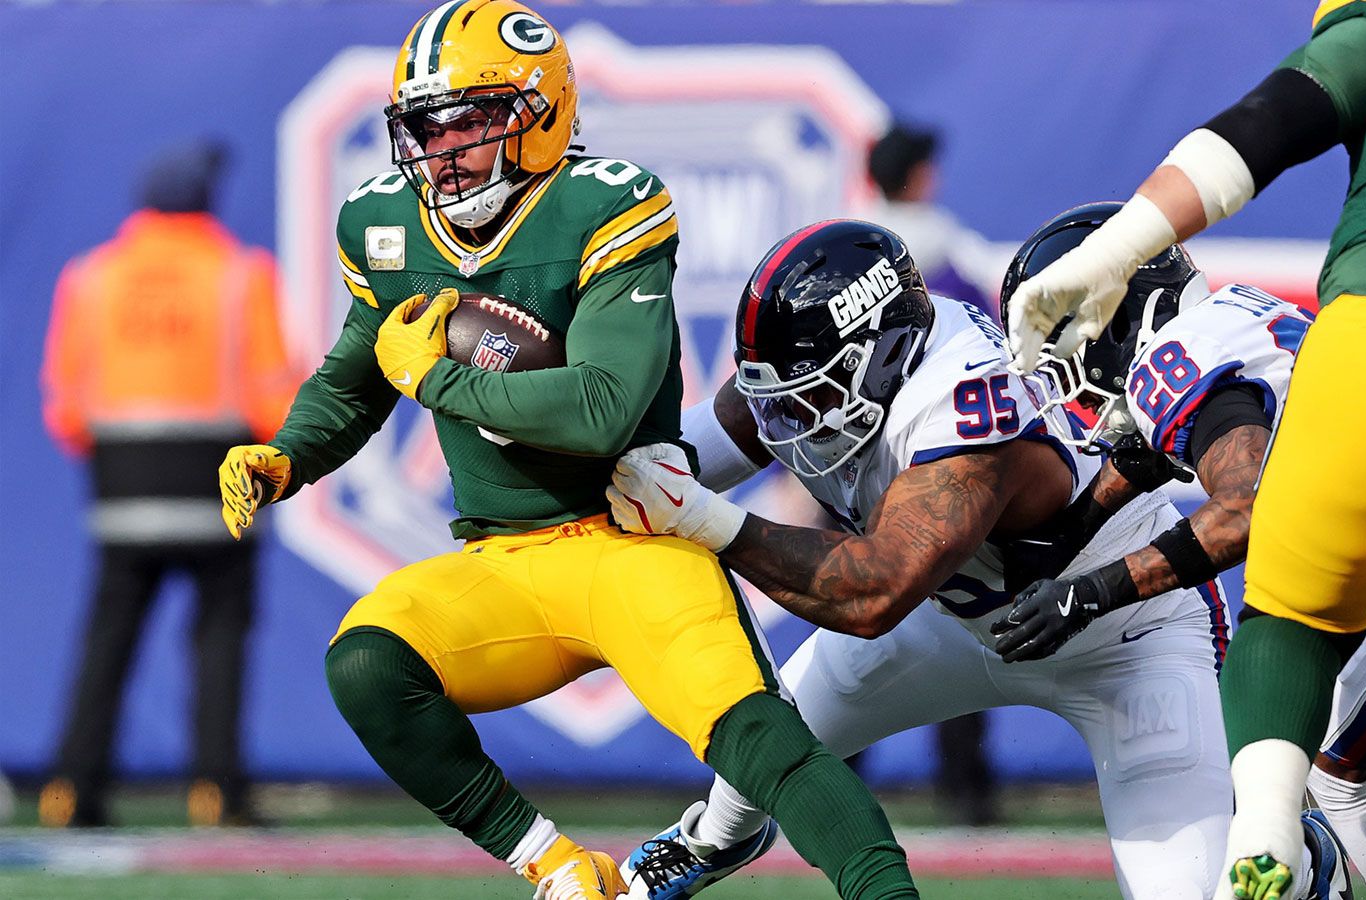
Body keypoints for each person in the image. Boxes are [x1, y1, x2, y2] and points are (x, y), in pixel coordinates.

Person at [216, 4, 920, 899]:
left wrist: (435, 379)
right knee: (366, 663)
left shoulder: (607, 204)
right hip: (502, 558)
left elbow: (600, 408)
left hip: (631, 536)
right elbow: (359, 371)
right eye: (425, 125)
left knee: (763, 744)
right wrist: (289, 455)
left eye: (468, 121)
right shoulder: (385, 221)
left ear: (538, 112)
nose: (443, 149)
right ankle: (556, 866)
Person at [1005, 1, 1366, 894]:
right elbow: (1139, 465)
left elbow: (1268, 123)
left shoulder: (1176, 366)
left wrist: (1117, 246)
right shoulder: (1225, 330)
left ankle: (1266, 821)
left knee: (1297, 644)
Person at [604, 218, 1342, 900]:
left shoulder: (963, 412)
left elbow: (874, 594)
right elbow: (689, 453)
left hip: (1122, 635)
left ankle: (1308, 860)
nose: (787, 424)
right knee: (761, 742)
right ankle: (710, 840)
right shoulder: (830, 369)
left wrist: (701, 519)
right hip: (953, 614)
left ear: (881, 357)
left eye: (808, 399)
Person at [38, 138, 294, 828]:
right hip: (219, 485)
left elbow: (63, 404)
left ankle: (70, 788)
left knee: (109, 637)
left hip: (121, 487)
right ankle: (217, 790)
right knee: (219, 636)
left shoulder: (90, 277)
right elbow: (277, 396)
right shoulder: (243, 275)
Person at [866, 124, 1002, 824]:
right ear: (918, 174)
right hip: (936, 454)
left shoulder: (849, 244)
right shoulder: (938, 241)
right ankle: (966, 788)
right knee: (963, 620)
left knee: (852, 617)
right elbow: (987, 326)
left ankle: (832, 777)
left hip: (859, 464)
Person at [866, 123, 997, 318]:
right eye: (925, 164)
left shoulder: (867, 233)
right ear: (914, 175)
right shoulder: (935, 233)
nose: (933, 169)